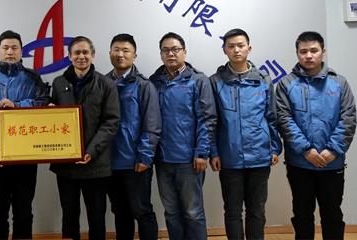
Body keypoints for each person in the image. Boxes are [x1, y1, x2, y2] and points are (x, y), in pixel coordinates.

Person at [275, 31, 356, 240]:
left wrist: (332, 150)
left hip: (332, 162)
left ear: (323, 51)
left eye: (314, 50)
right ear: (297, 53)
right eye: (303, 51)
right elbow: (284, 119)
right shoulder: (286, 83)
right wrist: (306, 150)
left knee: (332, 214)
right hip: (299, 162)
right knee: (302, 214)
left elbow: (348, 118)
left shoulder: (339, 83)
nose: (308, 55)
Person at [0, 30, 50, 240]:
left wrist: (16, 105)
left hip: (26, 157)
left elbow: (43, 104)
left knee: (23, 213)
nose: (10, 52)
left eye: (14, 48)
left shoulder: (33, 77)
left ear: (21, 51)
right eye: (5, 48)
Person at [209, 28, 282, 240]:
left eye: (240, 45)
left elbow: (272, 117)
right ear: (224, 50)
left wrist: (275, 148)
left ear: (249, 48)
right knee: (232, 212)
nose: (236, 50)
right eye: (231, 46)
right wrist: (214, 152)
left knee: (257, 210)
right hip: (229, 157)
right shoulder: (215, 81)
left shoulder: (263, 80)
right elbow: (212, 122)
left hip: (259, 156)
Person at [50, 36, 120, 240]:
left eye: (85, 52)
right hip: (66, 165)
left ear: (93, 55)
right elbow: (52, 118)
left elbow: (111, 122)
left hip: (96, 165)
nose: (81, 56)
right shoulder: (58, 83)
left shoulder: (106, 84)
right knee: (69, 218)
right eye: (77, 53)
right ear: (69, 56)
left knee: (97, 219)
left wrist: (90, 151)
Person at [149, 32, 216, 240]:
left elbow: (207, 119)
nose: (171, 54)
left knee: (193, 213)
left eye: (175, 49)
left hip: (189, 160)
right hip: (162, 159)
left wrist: (202, 153)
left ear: (184, 52)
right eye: (166, 50)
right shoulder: (154, 82)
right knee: (171, 212)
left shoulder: (198, 80)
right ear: (161, 54)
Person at [106, 34, 160, 240]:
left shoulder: (143, 85)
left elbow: (152, 124)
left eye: (125, 50)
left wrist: (145, 156)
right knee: (120, 212)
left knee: (142, 211)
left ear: (134, 56)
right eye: (116, 50)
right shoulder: (102, 83)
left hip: (136, 162)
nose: (120, 54)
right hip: (110, 162)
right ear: (110, 53)